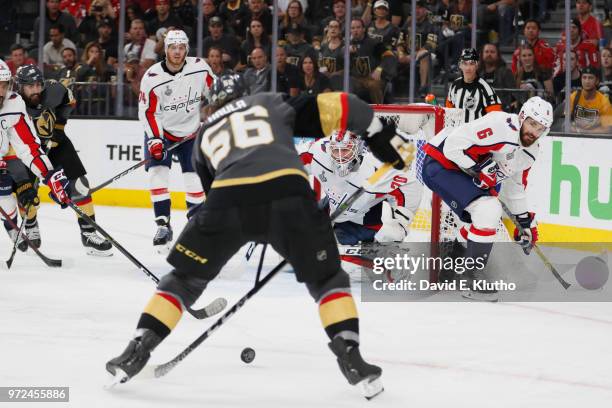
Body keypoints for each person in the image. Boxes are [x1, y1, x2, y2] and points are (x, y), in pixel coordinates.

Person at [106, 73, 415, 399]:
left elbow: (214, 198)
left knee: (182, 280)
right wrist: (382, 136)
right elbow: (346, 105)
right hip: (289, 195)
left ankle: (136, 349)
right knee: (327, 280)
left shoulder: (204, 135)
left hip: (227, 202)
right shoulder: (271, 103)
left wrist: (243, 232)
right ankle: (352, 358)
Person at [422, 96, 553, 300]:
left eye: (541, 128)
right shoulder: (500, 125)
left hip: (464, 172)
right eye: (532, 123)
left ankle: (450, 269)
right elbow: (453, 147)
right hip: (441, 163)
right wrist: (480, 169)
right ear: (522, 117)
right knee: (488, 210)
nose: (534, 132)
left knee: (482, 217)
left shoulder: (530, 152)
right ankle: (471, 279)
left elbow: (514, 188)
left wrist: (524, 224)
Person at [9, 64, 113, 255]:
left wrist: (59, 127)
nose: (36, 90)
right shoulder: (13, 105)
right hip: (27, 151)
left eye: (38, 85)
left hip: (56, 143)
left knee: (80, 185)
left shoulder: (54, 90)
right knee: (27, 193)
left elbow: (69, 100)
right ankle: (30, 224)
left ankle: (88, 233)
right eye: (30, 86)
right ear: (20, 87)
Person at [138, 30, 214, 252]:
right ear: (166, 49)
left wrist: (214, 116)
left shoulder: (200, 67)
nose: (178, 52)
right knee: (157, 174)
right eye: (173, 47)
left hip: (191, 132)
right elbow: (149, 113)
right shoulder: (152, 78)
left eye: (181, 47)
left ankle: (196, 228)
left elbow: (216, 93)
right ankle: (163, 225)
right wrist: (154, 140)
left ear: (186, 49)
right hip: (162, 132)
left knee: (194, 179)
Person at [300, 129, 420, 248]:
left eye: (346, 150)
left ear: (357, 148)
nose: (341, 157)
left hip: (363, 221)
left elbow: (410, 186)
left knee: (327, 244)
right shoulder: (320, 153)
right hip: (335, 206)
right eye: (336, 150)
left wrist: (400, 223)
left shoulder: (375, 169)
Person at [0, 59, 69, 247]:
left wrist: (49, 174)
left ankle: (11, 226)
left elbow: (28, 146)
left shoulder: (13, 104)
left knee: (5, 197)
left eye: (4, 86)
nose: (1, 92)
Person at [446, 48, 502, 123]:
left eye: (471, 63)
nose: (468, 68)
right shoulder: (455, 85)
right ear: (460, 65)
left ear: (477, 65)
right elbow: (449, 112)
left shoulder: (485, 88)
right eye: (465, 63)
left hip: (475, 133)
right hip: (457, 132)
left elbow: (496, 117)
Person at [349, 18, 397, 104]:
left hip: (371, 78)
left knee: (374, 85)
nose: (355, 30)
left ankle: (380, 111)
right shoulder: (347, 45)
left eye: (358, 27)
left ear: (364, 29)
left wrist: (379, 68)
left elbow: (390, 56)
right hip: (356, 79)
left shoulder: (374, 43)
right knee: (346, 83)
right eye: (353, 28)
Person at [568, 66, 612, 133]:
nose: (587, 81)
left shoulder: (604, 101)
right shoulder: (574, 97)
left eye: (590, 78)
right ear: (581, 80)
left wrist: (584, 132)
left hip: (595, 140)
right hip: (575, 139)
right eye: (584, 77)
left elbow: (608, 129)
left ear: (597, 81)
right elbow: (564, 123)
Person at [478, 43, 516, 111]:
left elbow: (513, 94)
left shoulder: (506, 72)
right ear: (482, 54)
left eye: (492, 52)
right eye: (486, 52)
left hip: (500, 111)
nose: (489, 54)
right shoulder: (476, 73)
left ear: (498, 55)